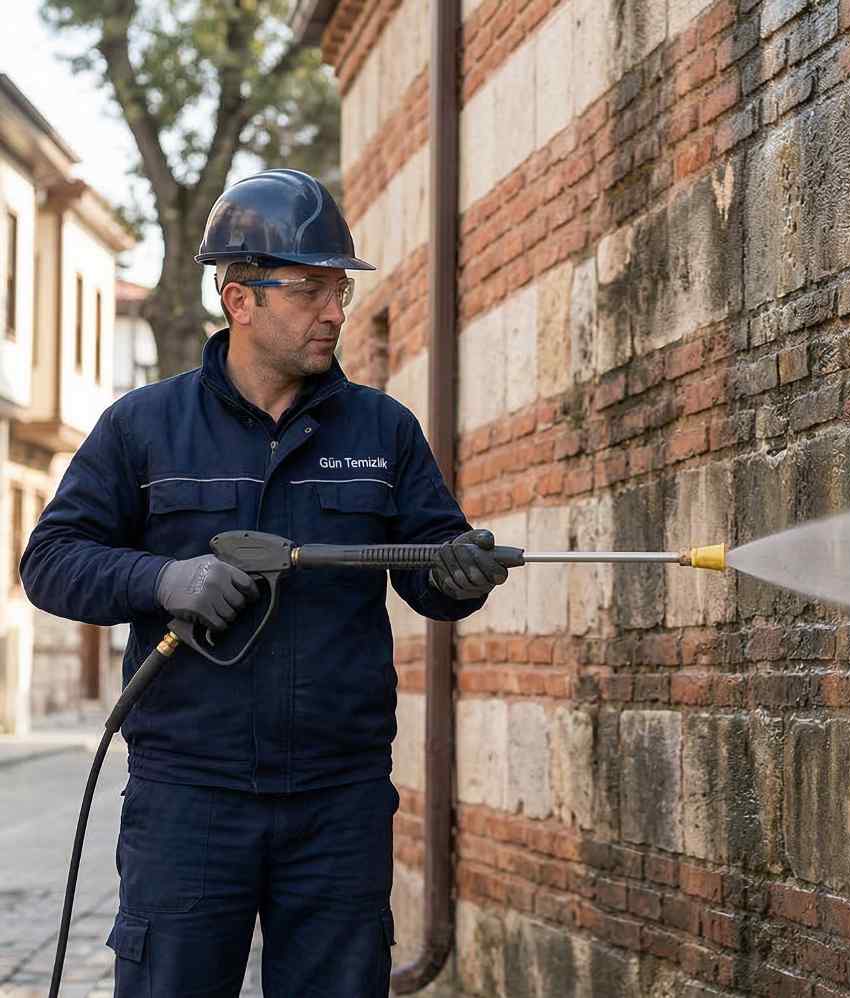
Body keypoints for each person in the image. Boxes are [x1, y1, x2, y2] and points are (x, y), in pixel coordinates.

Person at [20, 168, 509, 997]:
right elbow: (52, 560)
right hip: (189, 800)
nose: (334, 311)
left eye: (340, 292)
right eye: (311, 289)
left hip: (338, 800)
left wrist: (462, 571)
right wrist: (164, 579)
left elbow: (433, 572)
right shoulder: (144, 429)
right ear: (238, 297)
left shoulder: (381, 431)